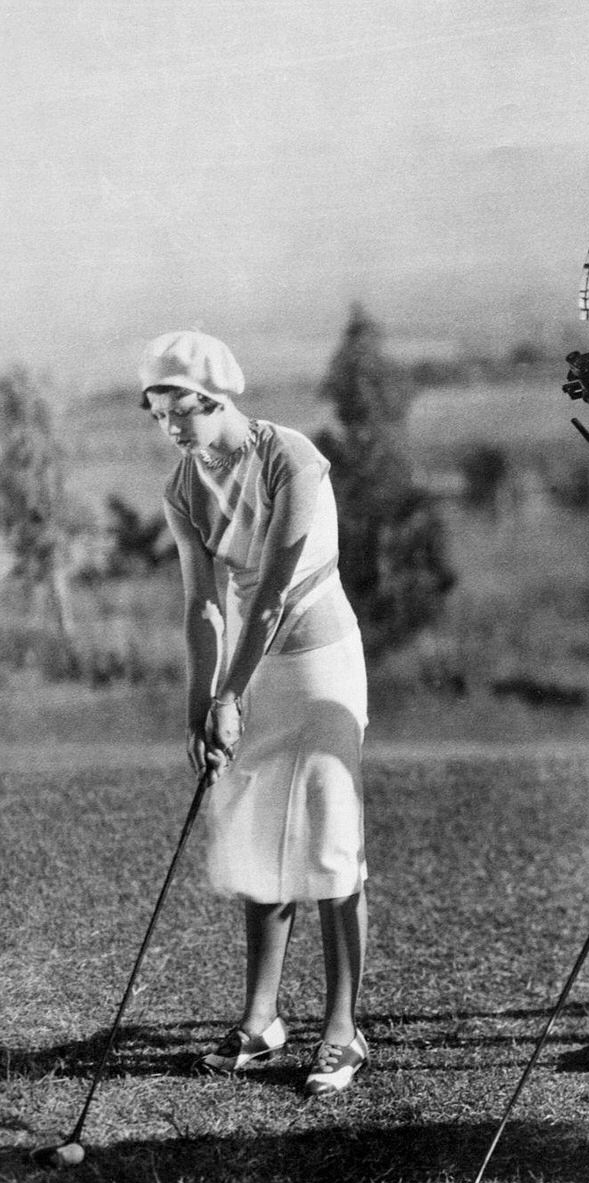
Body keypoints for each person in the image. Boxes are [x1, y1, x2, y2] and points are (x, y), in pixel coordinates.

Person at [139, 330, 370, 1095]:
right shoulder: (183, 486)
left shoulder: (292, 459)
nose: (173, 431)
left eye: (183, 413)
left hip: (319, 664)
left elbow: (273, 591)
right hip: (249, 670)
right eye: (158, 415)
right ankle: (262, 1021)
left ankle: (342, 1032)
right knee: (257, 845)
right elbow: (204, 606)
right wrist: (200, 709)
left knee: (331, 845)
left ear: (217, 399)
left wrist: (230, 695)